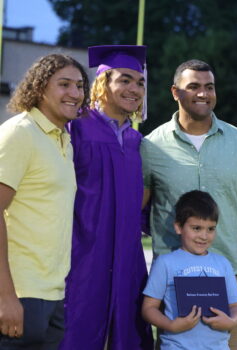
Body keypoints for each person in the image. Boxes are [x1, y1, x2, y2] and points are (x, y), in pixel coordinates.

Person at [141, 59, 237, 350]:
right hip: (172, 278)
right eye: (194, 87)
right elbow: (133, 212)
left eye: (209, 87)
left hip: (230, 277)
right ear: (175, 92)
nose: (203, 93)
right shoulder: (150, 147)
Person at [59, 45, 153, 350]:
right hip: (82, 255)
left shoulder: (137, 140)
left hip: (127, 257)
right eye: (124, 79)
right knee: (76, 334)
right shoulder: (76, 128)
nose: (134, 89)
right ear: (103, 83)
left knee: (129, 336)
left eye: (139, 82)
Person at [0, 54, 89, 349]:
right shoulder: (19, 133)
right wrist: (6, 297)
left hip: (52, 295)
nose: (75, 93)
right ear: (39, 87)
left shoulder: (62, 140)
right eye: (64, 84)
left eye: (79, 86)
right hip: (19, 294)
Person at [142, 190, 237, 349]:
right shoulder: (165, 263)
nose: (204, 236)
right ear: (178, 227)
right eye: (196, 228)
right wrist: (171, 325)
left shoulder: (222, 264)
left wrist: (231, 321)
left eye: (210, 229)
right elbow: (148, 308)